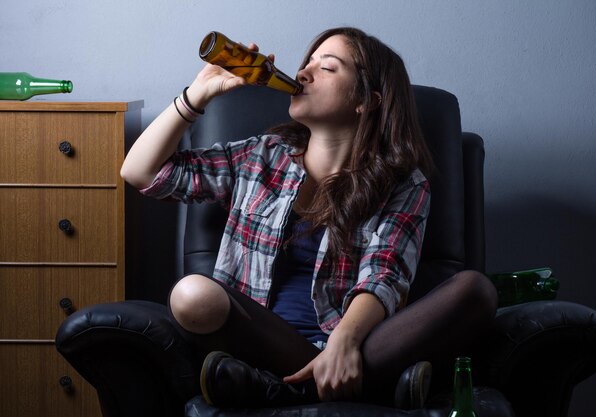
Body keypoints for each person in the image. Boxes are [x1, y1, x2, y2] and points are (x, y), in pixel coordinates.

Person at [121, 27, 497, 409]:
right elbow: (140, 173)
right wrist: (199, 93)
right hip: (264, 343)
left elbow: (384, 276)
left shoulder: (403, 184)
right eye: (307, 64)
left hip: (359, 343)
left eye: (327, 68)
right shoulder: (261, 156)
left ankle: (287, 387)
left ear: (366, 100)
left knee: (475, 291)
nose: (303, 73)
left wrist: (343, 341)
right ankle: (364, 386)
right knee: (191, 295)